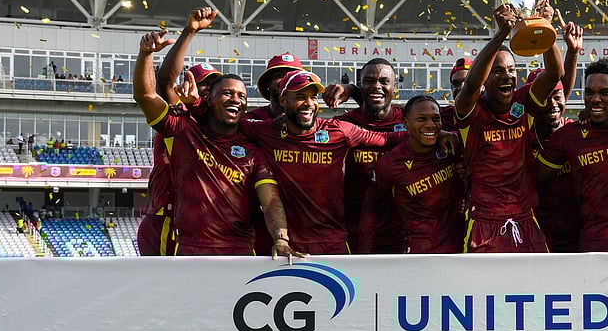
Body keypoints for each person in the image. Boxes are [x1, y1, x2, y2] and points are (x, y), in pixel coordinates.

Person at [133, 20, 293, 257]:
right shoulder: (182, 129)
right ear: (207, 98)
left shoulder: (252, 149)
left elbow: (270, 201)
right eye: (227, 93)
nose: (235, 99)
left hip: (239, 253)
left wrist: (281, 237)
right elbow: (147, 94)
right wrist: (146, 55)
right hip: (188, 249)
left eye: (241, 95)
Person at [238, 69, 409, 255]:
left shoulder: (339, 131)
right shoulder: (264, 131)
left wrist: (437, 135)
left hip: (332, 243)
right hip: (283, 244)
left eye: (313, 97)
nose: (309, 104)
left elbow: (388, 139)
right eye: (301, 97)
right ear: (282, 101)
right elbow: (219, 120)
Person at [455, 0, 566, 253]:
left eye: (512, 69)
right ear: (485, 77)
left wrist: (545, 28)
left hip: (524, 215)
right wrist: (502, 33)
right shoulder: (470, 110)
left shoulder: (523, 103)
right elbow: (471, 85)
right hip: (483, 219)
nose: (507, 76)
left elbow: (554, 74)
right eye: (497, 71)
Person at [538, 58, 608, 252]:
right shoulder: (567, 136)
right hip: (592, 239)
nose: (595, 99)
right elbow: (533, 178)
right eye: (589, 92)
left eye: (604, 93)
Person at [359, 95, 465, 253]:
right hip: (416, 254)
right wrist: (364, 255)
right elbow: (370, 207)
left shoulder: (452, 146)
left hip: (458, 249)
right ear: (406, 123)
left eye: (436, 119)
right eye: (422, 119)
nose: (431, 125)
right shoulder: (391, 163)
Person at [337, 58, 408, 253]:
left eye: (384, 81)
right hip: (354, 231)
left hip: (402, 232)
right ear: (360, 86)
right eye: (369, 81)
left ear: (395, 86)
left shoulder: (412, 120)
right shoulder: (343, 124)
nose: (377, 86)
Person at [531, 22, 584, 252]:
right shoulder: (523, 137)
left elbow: (562, 88)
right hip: (540, 240)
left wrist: (573, 53)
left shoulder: (577, 132)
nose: (552, 104)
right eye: (545, 98)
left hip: (580, 237)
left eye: (558, 97)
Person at [246, 52, 306, 122]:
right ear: (268, 83)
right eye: (280, 75)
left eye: (292, 76)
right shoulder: (253, 118)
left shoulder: (308, 117)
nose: (286, 80)